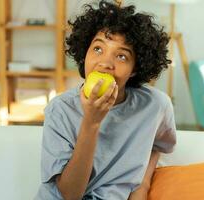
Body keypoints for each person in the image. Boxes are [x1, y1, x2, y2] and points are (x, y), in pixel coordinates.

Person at [35, 0, 176, 199]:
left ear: (135, 68)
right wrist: (91, 122)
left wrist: (141, 186)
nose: (105, 63)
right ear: (85, 52)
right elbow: (69, 194)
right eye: (98, 49)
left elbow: (158, 145)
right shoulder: (60, 110)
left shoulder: (155, 105)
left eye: (122, 56)